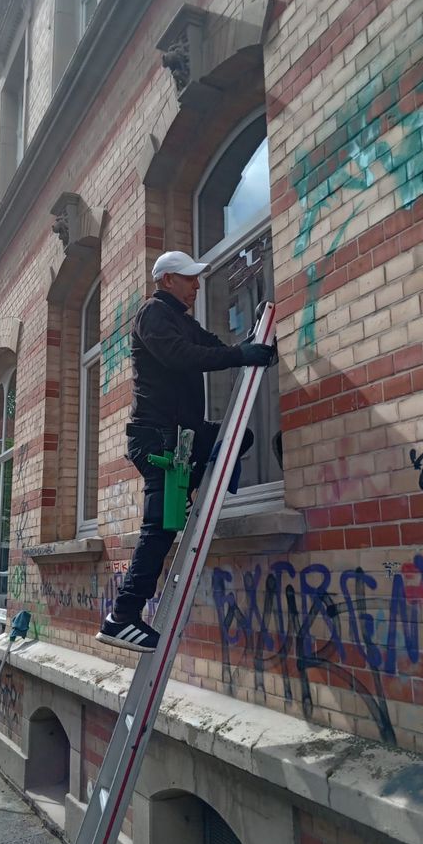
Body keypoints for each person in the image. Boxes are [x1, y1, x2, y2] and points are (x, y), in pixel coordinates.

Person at [96, 250, 273, 653]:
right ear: (166, 281)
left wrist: (253, 348)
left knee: (236, 439)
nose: (196, 285)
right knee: (158, 530)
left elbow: (212, 345)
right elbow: (181, 357)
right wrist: (237, 356)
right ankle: (121, 617)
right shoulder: (152, 315)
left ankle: (192, 495)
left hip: (183, 437)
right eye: (189, 278)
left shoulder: (182, 321)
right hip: (157, 440)